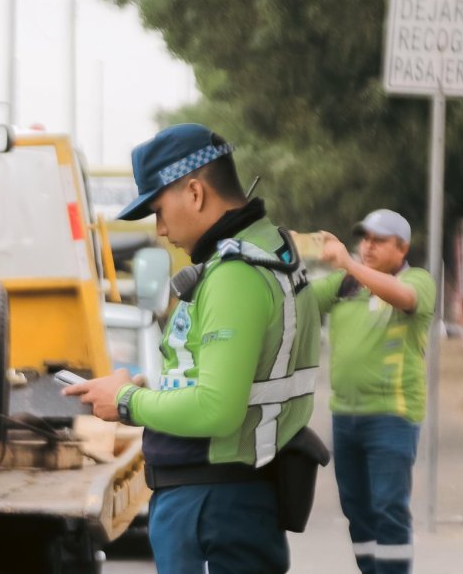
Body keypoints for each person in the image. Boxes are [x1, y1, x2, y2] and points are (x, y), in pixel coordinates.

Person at [63, 123, 321, 574]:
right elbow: (236, 376)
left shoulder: (235, 274)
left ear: (196, 193)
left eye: (159, 211)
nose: (160, 230)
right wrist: (155, 389)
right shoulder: (270, 251)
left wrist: (126, 402)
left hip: (211, 504)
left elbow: (217, 409)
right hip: (232, 498)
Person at [311, 210, 436, 574]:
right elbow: (297, 298)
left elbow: (404, 296)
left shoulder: (417, 279)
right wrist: (284, 253)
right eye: (364, 239)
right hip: (345, 415)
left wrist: (348, 263)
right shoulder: (344, 284)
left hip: (391, 416)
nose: (368, 246)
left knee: (388, 508)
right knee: (356, 510)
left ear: (403, 247)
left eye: (378, 240)